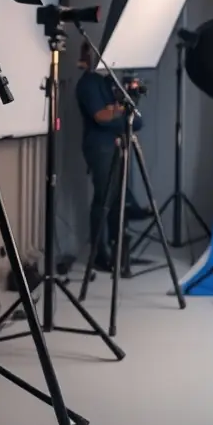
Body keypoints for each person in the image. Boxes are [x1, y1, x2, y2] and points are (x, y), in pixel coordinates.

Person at [75, 41, 152, 272]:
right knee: (104, 199)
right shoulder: (88, 83)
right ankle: (99, 254)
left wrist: (116, 109)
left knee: (117, 198)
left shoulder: (109, 82)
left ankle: (118, 251)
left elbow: (136, 120)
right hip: (99, 147)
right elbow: (100, 116)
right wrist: (119, 109)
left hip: (116, 144)